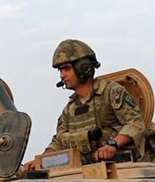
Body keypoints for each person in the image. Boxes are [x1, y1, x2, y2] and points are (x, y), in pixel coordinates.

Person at [26, 39, 146, 169]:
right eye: (60, 70)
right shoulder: (69, 109)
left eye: (66, 69)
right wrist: (41, 161)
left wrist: (112, 145)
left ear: (83, 68)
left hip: (119, 169)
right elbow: (59, 142)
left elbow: (135, 123)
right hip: (86, 172)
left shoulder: (111, 92)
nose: (62, 75)